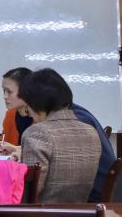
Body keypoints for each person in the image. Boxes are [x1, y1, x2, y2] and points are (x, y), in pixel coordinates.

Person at [16, 69, 103, 204]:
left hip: (41, 215)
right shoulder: (91, 132)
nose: (28, 112)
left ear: (36, 103)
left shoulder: (37, 133)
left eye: (27, 105)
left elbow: (29, 193)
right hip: (82, 213)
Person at [0, 67, 34, 149]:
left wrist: (14, 149)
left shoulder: (42, 118)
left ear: (26, 91)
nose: (4, 96)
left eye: (9, 91)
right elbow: (3, 142)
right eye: (4, 91)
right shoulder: (10, 115)